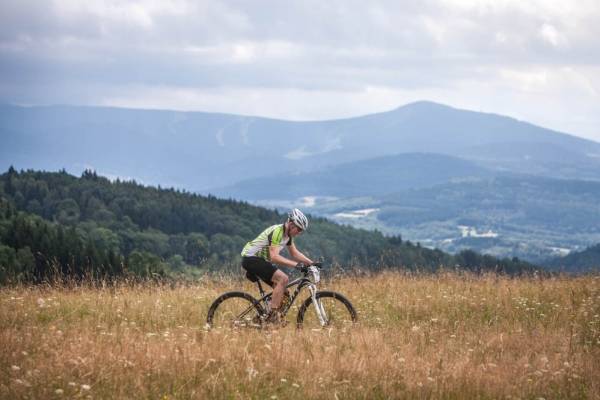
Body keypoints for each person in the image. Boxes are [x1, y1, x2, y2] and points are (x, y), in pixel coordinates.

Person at [241, 208, 313, 324]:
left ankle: (262, 319)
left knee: (284, 293)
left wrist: (311, 263)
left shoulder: (287, 236)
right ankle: (272, 316)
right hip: (251, 258)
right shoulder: (277, 231)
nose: (299, 233)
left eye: (301, 231)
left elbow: (294, 253)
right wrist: (297, 265)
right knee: (283, 279)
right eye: (298, 229)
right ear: (290, 224)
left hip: (260, 260)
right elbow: (274, 257)